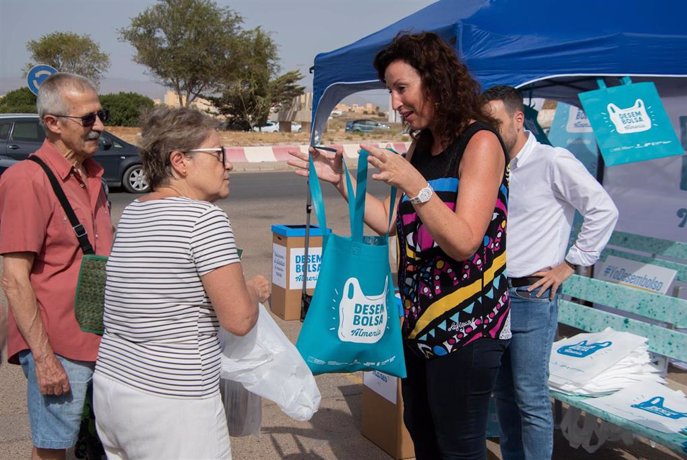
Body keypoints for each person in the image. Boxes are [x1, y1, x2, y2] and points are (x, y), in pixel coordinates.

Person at [289, 32, 510, 459]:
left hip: (468, 330)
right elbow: (394, 222)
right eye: (390, 90)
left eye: (401, 88)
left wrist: (415, 183)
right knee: (421, 436)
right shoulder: (422, 144)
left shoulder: (480, 142)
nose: (394, 102)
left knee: (460, 447)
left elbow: (464, 241)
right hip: (416, 323)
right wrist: (341, 182)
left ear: (436, 80)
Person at [93, 106, 270, 459]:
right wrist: (253, 290)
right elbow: (237, 319)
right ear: (180, 161)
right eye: (219, 154)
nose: (228, 164)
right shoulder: (204, 219)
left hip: (114, 391)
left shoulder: (134, 212)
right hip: (174, 405)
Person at [482, 85, 619, 460]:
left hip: (531, 296)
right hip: (494, 295)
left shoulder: (553, 161)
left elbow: (603, 210)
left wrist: (570, 263)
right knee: (505, 397)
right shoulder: (493, 166)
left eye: (495, 122)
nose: (490, 131)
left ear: (518, 118)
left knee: (531, 399)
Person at [0, 72, 114, 459]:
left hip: (101, 340)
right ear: (52, 123)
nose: (99, 126)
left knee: (99, 444)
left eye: (101, 114)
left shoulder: (93, 175)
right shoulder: (26, 181)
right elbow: (14, 279)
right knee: (53, 448)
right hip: (58, 344)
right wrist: (45, 360)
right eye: (88, 119)